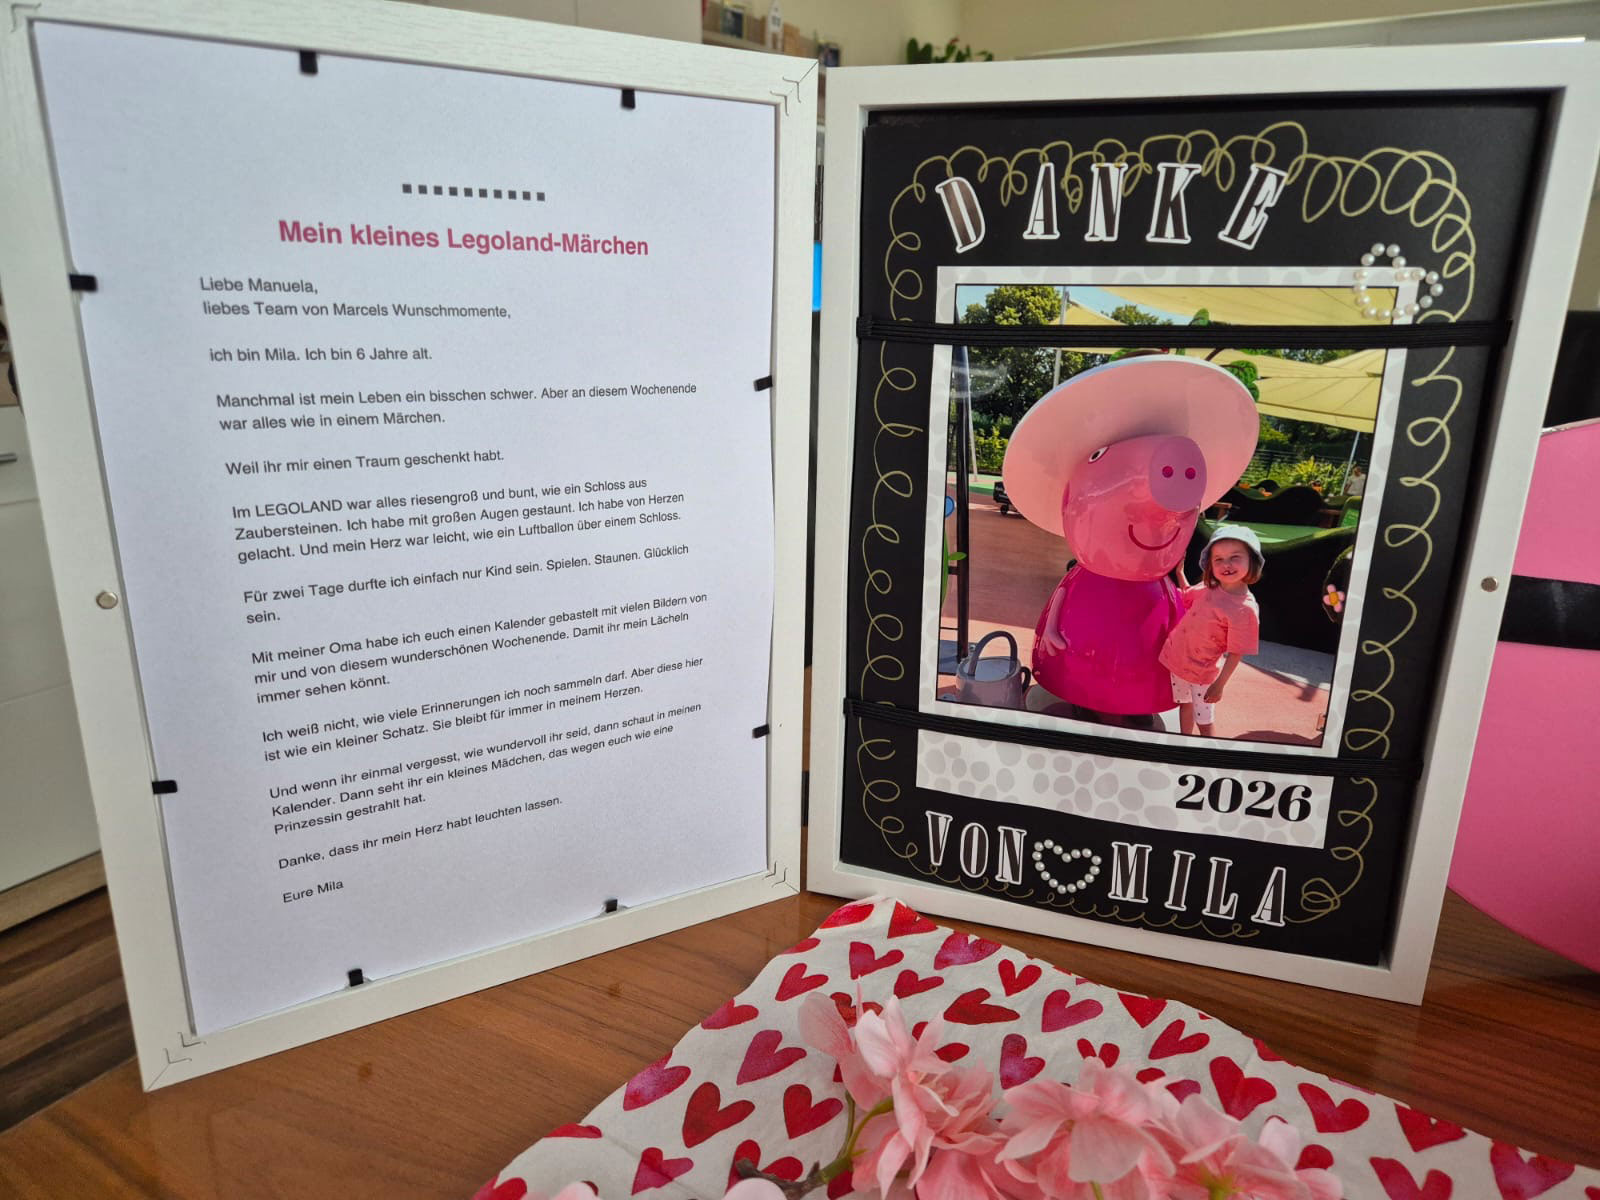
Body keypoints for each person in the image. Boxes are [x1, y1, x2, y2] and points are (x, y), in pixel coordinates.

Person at [1159, 525, 1263, 737]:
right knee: (1185, 705)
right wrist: (1179, 573)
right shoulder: (1209, 587)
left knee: (1205, 722)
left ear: (1251, 561)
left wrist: (1220, 684)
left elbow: (1236, 652)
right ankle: (1184, 743)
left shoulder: (1244, 608)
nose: (1226, 564)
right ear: (1210, 564)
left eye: (1235, 557)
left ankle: (1208, 750)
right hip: (1179, 661)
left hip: (1202, 673)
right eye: (1218, 559)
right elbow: (1186, 595)